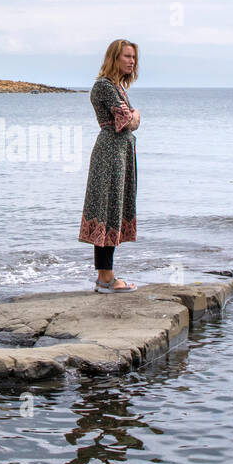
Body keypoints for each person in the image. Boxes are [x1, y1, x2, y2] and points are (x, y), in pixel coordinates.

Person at [78, 39, 140, 292]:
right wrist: (137, 115)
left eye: (134, 57)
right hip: (110, 153)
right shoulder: (104, 86)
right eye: (127, 56)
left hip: (118, 151)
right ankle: (105, 278)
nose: (132, 61)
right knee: (106, 209)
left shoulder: (115, 86)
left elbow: (126, 121)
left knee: (113, 210)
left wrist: (132, 116)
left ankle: (106, 275)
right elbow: (128, 122)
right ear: (114, 58)